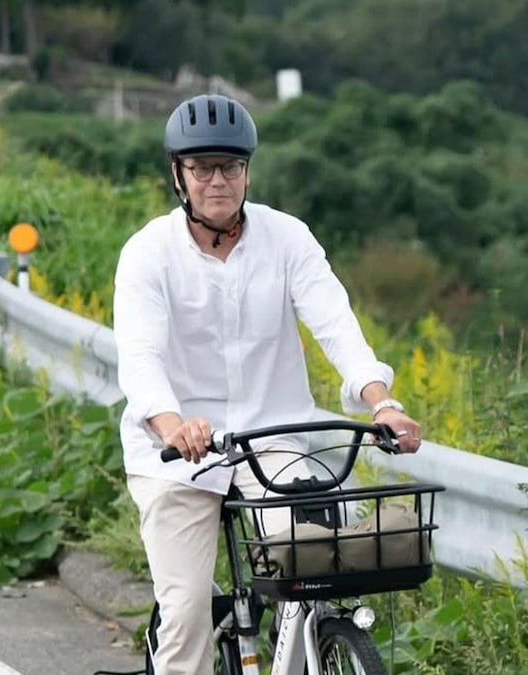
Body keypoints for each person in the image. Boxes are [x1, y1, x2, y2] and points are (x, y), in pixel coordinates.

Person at [112, 93, 422, 675]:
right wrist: (173, 425)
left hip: (274, 439)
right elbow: (141, 356)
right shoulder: (147, 255)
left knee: (315, 577)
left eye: (230, 167)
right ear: (177, 174)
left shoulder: (288, 238)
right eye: (202, 168)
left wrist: (383, 404)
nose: (218, 181)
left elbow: (336, 325)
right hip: (178, 454)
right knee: (184, 617)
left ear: (248, 169)